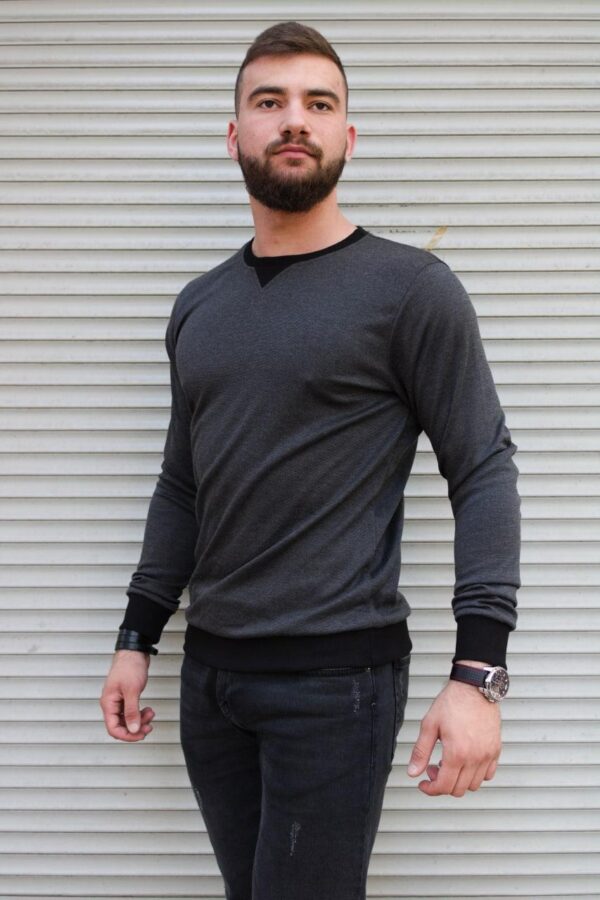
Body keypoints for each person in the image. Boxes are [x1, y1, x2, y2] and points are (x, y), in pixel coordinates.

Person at [100, 20, 521, 900]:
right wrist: (137, 637)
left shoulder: (411, 292)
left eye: (318, 104)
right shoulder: (200, 305)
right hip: (212, 681)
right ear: (234, 135)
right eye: (271, 101)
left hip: (335, 682)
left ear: (347, 136)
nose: (295, 119)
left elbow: (482, 468)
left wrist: (478, 675)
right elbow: (183, 484)